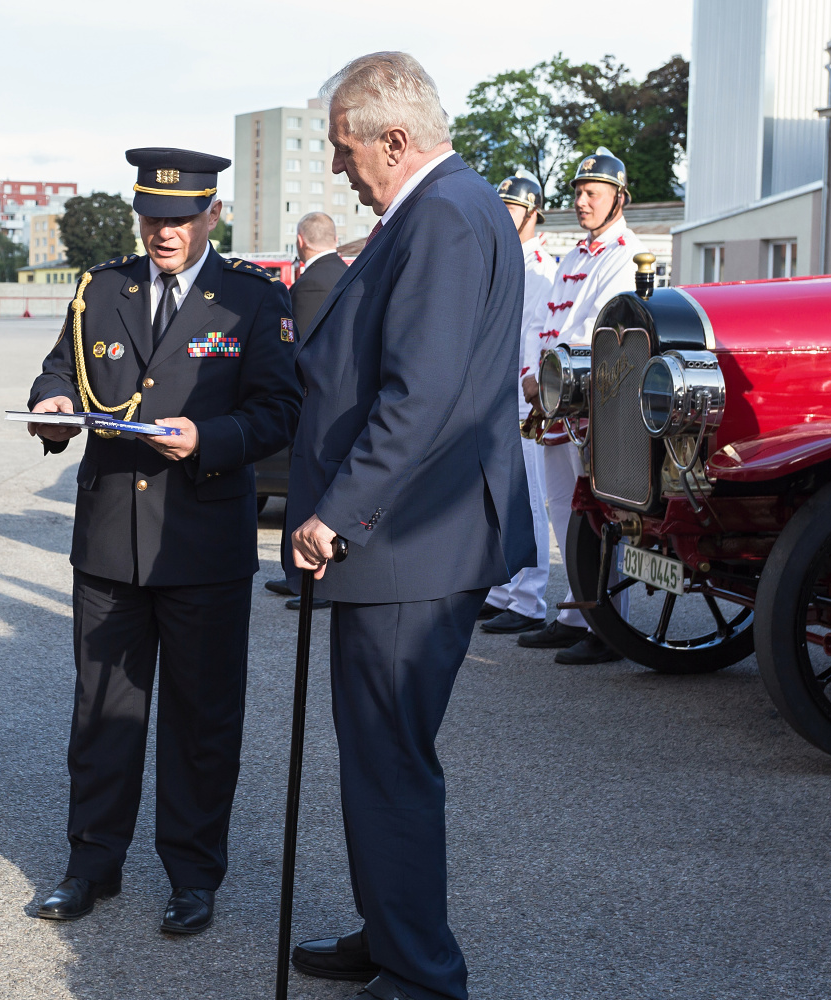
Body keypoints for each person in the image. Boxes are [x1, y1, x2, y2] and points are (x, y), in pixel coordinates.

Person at [285, 52, 534, 1000]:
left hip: (408, 541)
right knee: (379, 754)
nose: (344, 172)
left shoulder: (442, 215)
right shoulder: (442, 210)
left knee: (390, 756)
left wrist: (337, 515)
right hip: (408, 537)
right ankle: (392, 928)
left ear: (396, 139)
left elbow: (419, 394)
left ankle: (422, 974)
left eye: (350, 152)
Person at [26, 147, 301, 935]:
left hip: (203, 540)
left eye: (180, 219)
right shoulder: (99, 289)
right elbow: (61, 372)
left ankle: (192, 874)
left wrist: (208, 438)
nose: (165, 232)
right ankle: (90, 865)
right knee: (103, 712)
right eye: (153, 217)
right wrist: (50, 406)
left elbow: (281, 410)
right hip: (111, 538)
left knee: (202, 718)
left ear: (212, 215)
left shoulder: (249, 298)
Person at [516, 147, 643, 666]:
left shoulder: (624, 254)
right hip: (559, 400)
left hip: (596, 402)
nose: (581, 200)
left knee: (600, 516)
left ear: (619, 198)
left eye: (592, 192)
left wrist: (543, 377)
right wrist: (537, 377)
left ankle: (609, 627)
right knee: (565, 513)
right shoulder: (576, 254)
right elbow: (549, 324)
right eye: (578, 192)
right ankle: (576, 612)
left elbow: (596, 328)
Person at [478, 170, 556, 636]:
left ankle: (528, 599)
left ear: (531, 213)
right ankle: (504, 589)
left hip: (527, 397)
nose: (503, 216)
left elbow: (538, 336)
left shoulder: (542, 267)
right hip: (500, 394)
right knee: (503, 496)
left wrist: (535, 390)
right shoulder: (507, 259)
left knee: (529, 499)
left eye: (511, 208)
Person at [265, 210, 349, 610]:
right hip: (338, 407)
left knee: (311, 494)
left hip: (313, 404)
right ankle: (295, 575)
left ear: (300, 241)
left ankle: (310, 582)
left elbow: (296, 353)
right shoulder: (346, 272)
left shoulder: (311, 284)